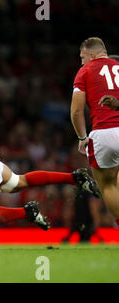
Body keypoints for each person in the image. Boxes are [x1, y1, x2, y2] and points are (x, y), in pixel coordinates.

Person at [70, 37, 119, 227]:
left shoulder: (85, 71)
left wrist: (82, 137)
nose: (81, 61)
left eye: (82, 57)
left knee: (107, 184)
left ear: (91, 55)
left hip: (104, 132)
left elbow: (76, 111)